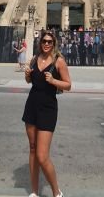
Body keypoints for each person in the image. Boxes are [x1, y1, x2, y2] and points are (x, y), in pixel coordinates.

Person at [22, 31, 71, 197]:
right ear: (40, 42)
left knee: (42, 156)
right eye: (44, 41)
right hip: (32, 105)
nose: (47, 44)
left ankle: (57, 192)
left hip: (48, 109)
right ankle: (34, 192)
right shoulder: (35, 59)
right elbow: (30, 82)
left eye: (50, 41)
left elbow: (68, 85)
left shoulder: (59, 61)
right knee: (32, 149)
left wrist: (53, 81)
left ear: (54, 43)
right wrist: (28, 76)